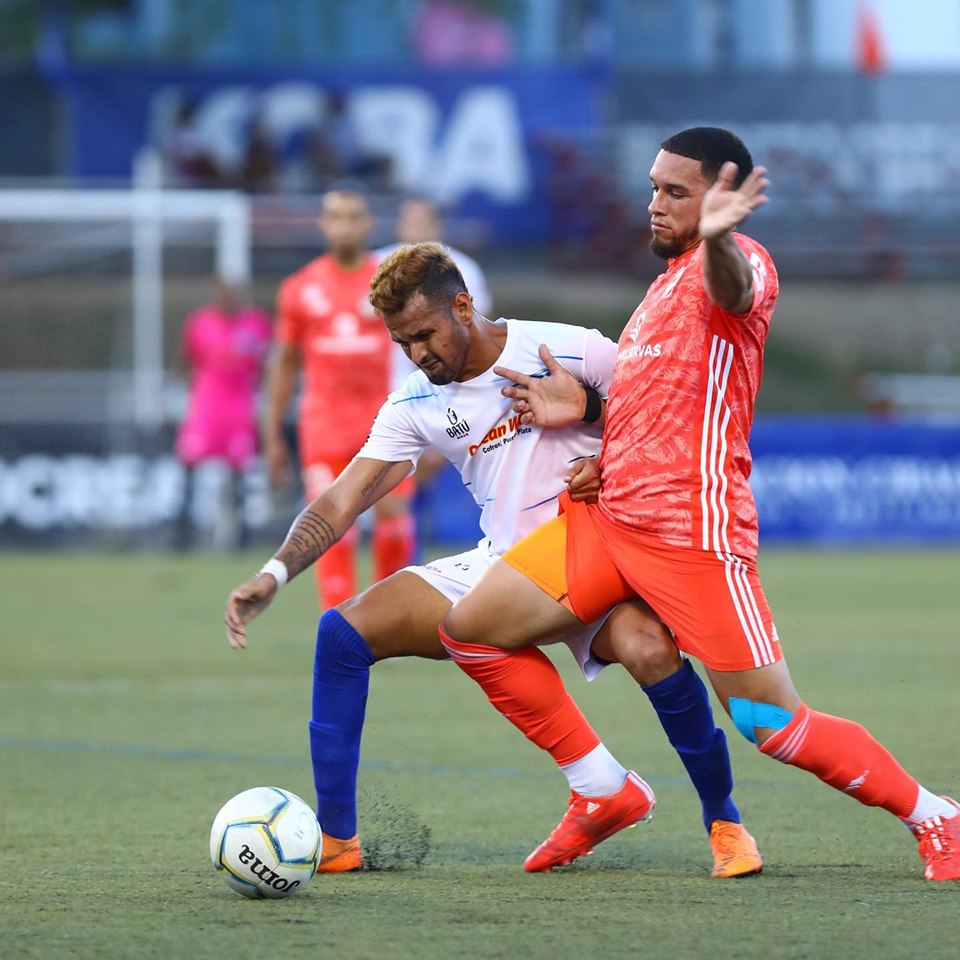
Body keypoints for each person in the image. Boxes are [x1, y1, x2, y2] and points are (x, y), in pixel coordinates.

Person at [438, 127, 960, 882]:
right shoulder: (657, 293)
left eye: (675, 193)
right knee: (473, 631)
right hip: (607, 522)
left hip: (693, 534)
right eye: (654, 186)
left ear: (720, 204)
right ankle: (601, 788)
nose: (654, 204)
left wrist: (718, 238)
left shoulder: (739, 262)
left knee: (769, 723)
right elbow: (653, 408)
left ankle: (935, 815)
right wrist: (589, 415)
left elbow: (736, 292)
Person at [225, 242, 763, 879]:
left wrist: (604, 451)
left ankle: (724, 822)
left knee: (649, 648)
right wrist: (276, 570)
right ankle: (339, 840)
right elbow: (343, 498)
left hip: (595, 552)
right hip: (506, 566)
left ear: (463, 306)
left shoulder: (568, 349)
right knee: (343, 635)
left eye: (425, 334)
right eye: (403, 342)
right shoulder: (416, 403)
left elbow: (671, 422)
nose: (418, 355)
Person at [263, 183, 416, 608]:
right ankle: (338, 620)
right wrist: (273, 431)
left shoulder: (389, 281)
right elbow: (285, 362)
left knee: (395, 517)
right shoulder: (299, 288)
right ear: (323, 224)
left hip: (383, 421)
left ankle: (389, 613)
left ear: (368, 224)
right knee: (330, 524)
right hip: (323, 424)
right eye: (336, 216)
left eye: (353, 216)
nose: (344, 225)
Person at [174, 277, 271, 549]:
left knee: (239, 470)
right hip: (205, 406)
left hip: (239, 407)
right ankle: (181, 533)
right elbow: (185, 361)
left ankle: (240, 535)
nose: (228, 298)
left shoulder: (257, 325)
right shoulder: (199, 323)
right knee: (189, 465)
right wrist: (176, 396)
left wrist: (264, 399)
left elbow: (266, 365)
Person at [376, 195, 493, 317]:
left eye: (422, 221)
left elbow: (481, 317)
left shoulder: (463, 267)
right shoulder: (376, 262)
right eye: (410, 221)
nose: (416, 227)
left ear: (438, 225)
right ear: (399, 224)